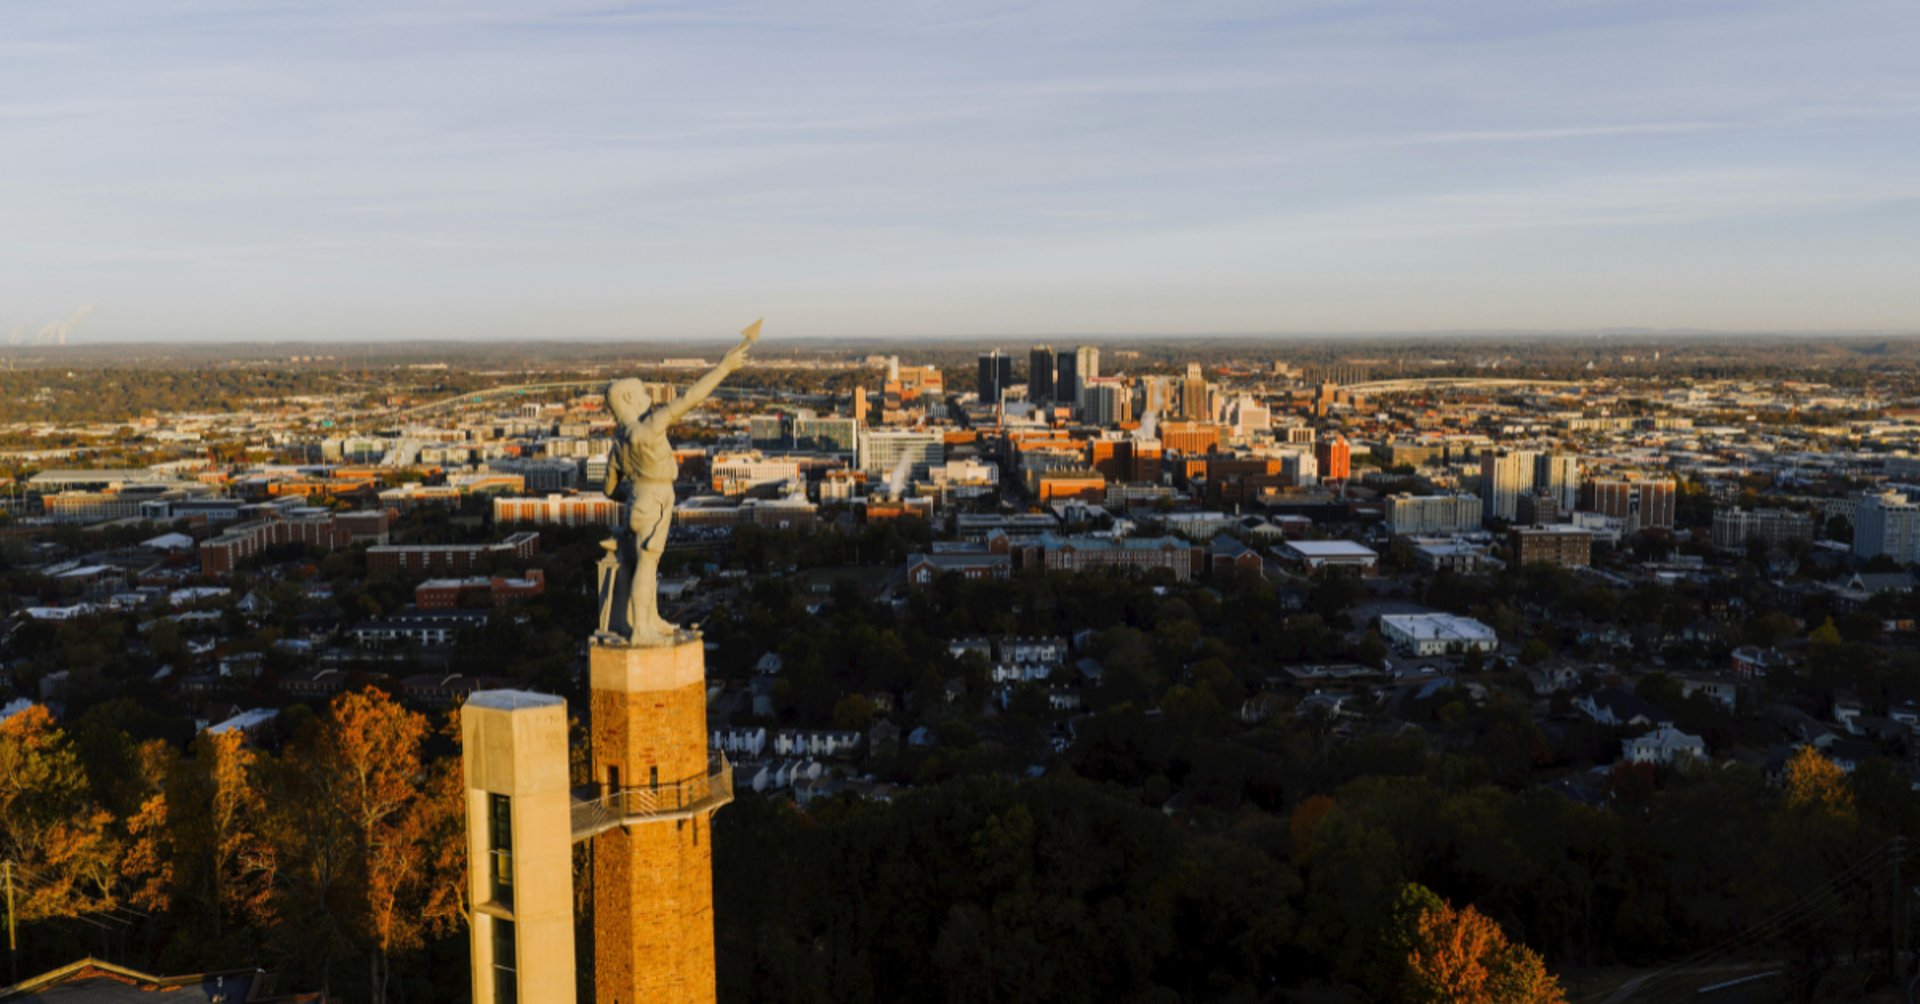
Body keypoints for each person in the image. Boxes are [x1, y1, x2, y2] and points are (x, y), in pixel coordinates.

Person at [602, 320, 760, 643]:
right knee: (646, 565)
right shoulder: (647, 429)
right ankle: (642, 630)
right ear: (630, 400)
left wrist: (631, 494)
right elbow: (689, 399)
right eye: (644, 393)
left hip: (639, 500)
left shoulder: (619, 442)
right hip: (654, 500)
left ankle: (652, 618)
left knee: (646, 562)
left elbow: (607, 489)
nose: (649, 398)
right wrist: (724, 368)